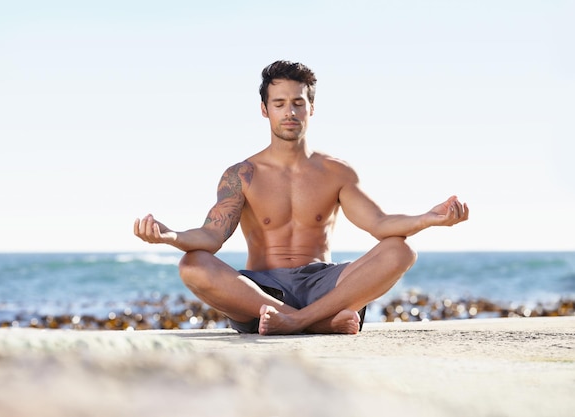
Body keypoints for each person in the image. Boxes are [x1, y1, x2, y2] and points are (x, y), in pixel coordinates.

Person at [134, 60, 469, 335]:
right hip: (260, 293)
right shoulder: (241, 174)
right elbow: (211, 236)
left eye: (298, 103)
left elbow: (380, 224)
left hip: (322, 283)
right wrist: (170, 235)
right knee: (192, 264)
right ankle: (317, 322)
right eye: (279, 104)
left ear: (311, 108)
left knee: (400, 249)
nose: (289, 112)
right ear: (265, 110)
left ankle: (295, 321)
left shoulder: (337, 172)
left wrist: (428, 218)